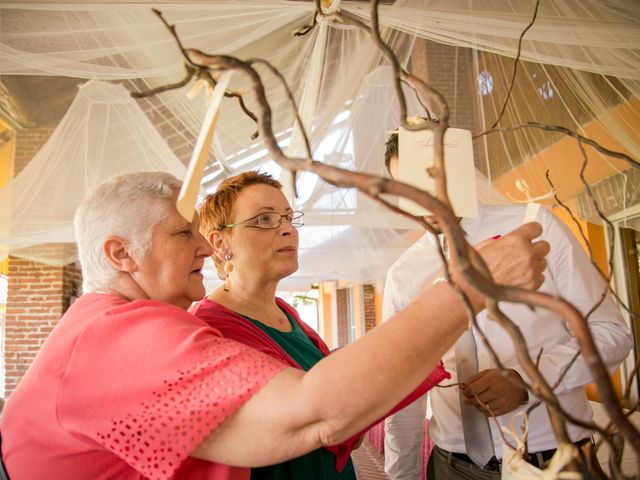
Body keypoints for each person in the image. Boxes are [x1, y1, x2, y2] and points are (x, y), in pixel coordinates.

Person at [0, 171, 548, 480]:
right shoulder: (118, 335)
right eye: (181, 234)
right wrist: (468, 287)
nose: (199, 246)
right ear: (121, 253)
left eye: (287, 218)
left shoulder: (105, 324)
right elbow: (315, 412)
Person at [382, 133, 633, 480]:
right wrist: (402, 475)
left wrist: (527, 381)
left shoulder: (534, 227)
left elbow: (611, 334)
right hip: (451, 467)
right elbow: (404, 387)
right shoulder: (403, 274)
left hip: (555, 461)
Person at [189, 171, 449, 480]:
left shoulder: (285, 313)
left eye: (288, 217)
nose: (287, 230)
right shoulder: (211, 332)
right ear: (220, 243)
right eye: (264, 220)